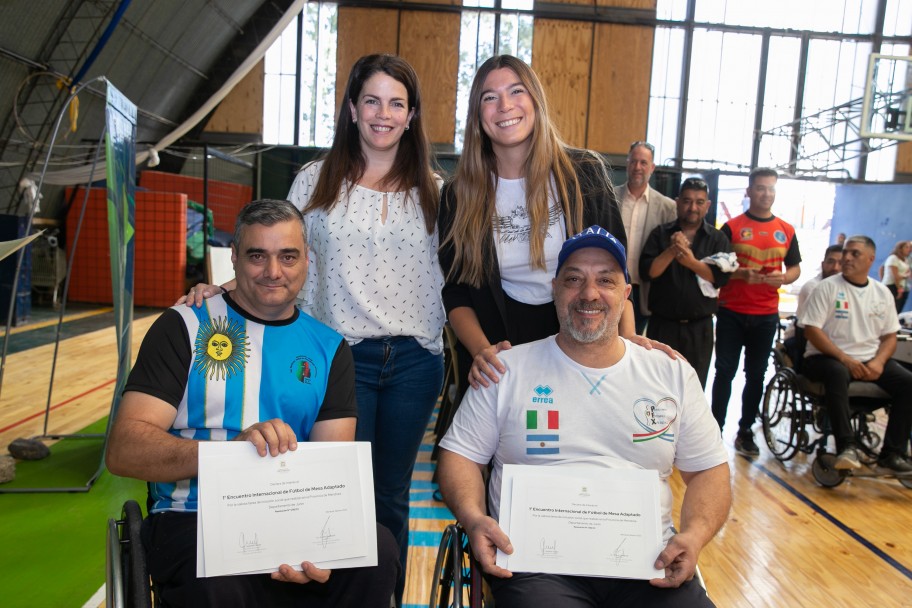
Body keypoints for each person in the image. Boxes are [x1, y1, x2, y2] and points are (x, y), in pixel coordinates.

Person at [181, 54, 444, 603]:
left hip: (416, 361)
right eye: (371, 100)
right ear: (351, 109)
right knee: (337, 490)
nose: (383, 113)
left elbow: (464, 278)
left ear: (412, 115)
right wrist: (220, 290)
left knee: (391, 495)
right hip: (337, 357)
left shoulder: (436, 191)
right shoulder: (315, 179)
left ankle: (381, 596)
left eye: (396, 103)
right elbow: (275, 253)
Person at [106, 200, 399, 607]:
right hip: (195, 517)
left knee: (379, 552)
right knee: (220, 585)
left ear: (307, 261)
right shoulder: (183, 326)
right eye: (257, 255)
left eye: (288, 256)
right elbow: (124, 450)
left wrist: (324, 544)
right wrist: (233, 455)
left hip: (293, 517)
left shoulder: (330, 348)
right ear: (235, 259)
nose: (273, 272)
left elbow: (335, 465)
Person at [437, 226, 731, 608]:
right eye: (574, 279)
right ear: (554, 290)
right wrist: (474, 518)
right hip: (535, 565)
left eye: (605, 281)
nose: (589, 293)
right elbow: (459, 457)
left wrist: (693, 536)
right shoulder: (505, 370)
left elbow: (709, 471)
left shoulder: (670, 373)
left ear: (626, 295)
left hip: (646, 563)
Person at [438, 54, 652, 396]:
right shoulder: (458, 195)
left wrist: (627, 345)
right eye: (489, 97)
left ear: (536, 101)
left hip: (582, 335)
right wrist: (481, 352)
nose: (505, 105)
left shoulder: (584, 174)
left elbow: (616, 271)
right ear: (478, 116)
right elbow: (457, 290)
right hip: (502, 347)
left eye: (516, 91)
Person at [800, 235, 912, 474]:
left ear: (871, 259)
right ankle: (846, 446)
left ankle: (892, 453)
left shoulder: (881, 293)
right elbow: (811, 330)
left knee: (908, 383)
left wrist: (880, 362)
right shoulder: (826, 288)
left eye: (854, 254)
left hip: (869, 359)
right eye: (846, 252)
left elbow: (890, 336)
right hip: (825, 358)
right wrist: (845, 359)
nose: (847, 258)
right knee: (838, 372)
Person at [711, 167, 801, 456]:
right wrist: (740, 276)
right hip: (732, 312)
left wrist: (785, 278)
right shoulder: (731, 227)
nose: (766, 193)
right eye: (760, 188)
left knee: (756, 375)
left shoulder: (786, 230)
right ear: (749, 191)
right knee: (725, 372)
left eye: (771, 188)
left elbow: (795, 268)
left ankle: (746, 430)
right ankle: (715, 431)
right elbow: (718, 270)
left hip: (765, 315)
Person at [639, 177, 733, 387]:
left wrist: (690, 262)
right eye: (687, 201)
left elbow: (720, 278)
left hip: (699, 328)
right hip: (663, 325)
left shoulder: (717, 239)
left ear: (707, 206)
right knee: (656, 387)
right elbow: (648, 272)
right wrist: (672, 250)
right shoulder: (661, 234)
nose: (693, 207)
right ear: (678, 202)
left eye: (699, 202)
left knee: (694, 389)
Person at [617, 141, 677, 334]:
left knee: (635, 344)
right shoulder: (609, 197)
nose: (637, 167)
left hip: (645, 289)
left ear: (652, 168)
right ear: (627, 164)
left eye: (643, 163)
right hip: (613, 283)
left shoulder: (668, 208)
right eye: (633, 161)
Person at [795, 244, 843, 322]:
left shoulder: (846, 286)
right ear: (823, 264)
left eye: (840, 263)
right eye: (831, 262)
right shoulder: (813, 287)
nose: (835, 268)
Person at [882, 240, 911, 313]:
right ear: (900, 248)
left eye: (909, 247)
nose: (909, 249)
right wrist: (899, 290)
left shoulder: (905, 260)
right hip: (892, 286)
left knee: (897, 311)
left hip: (901, 286)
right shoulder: (893, 258)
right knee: (890, 310)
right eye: (906, 247)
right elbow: (896, 277)